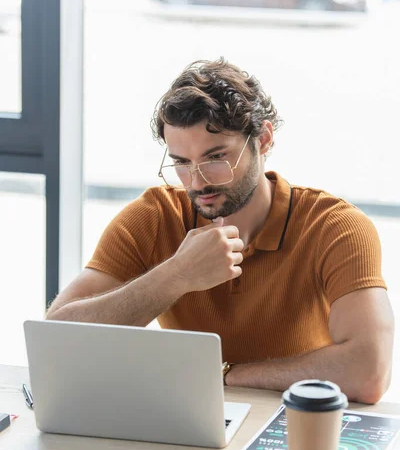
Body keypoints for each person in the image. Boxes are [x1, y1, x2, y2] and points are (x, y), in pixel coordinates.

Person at [46, 58, 394, 404]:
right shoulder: (154, 217)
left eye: (216, 158)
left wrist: (226, 374)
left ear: (264, 140)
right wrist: (176, 275)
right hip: (188, 421)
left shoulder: (335, 228)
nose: (197, 182)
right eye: (182, 163)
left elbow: (369, 373)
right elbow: (56, 340)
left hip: (293, 426)